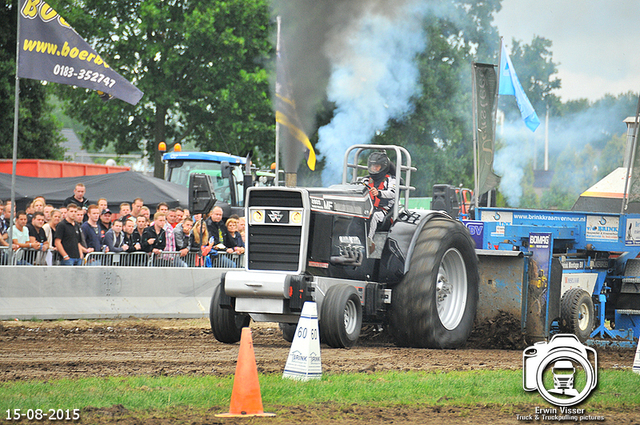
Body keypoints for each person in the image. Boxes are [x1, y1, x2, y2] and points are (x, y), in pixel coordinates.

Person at [364, 151, 397, 246]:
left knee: (373, 216)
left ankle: (368, 242)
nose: (374, 168)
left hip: (384, 212)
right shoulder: (366, 180)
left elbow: (393, 194)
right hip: (367, 209)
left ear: (383, 167)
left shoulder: (391, 180)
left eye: (377, 166)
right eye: (372, 166)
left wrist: (379, 193)